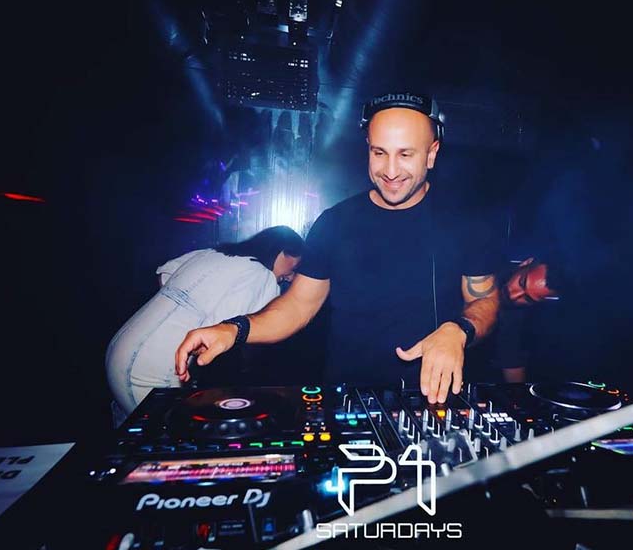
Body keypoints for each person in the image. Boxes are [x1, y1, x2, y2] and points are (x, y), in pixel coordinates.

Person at [175, 92, 502, 404]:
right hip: (348, 398)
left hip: (431, 399)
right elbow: (297, 306)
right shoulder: (336, 222)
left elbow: (485, 299)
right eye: (379, 153)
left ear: (431, 153)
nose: (390, 171)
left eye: (405, 154)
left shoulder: (465, 222)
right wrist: (234, 329)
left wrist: (458, 330)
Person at [106, 226, 304, 422]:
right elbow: (227, 337)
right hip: (154, 367)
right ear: (282, 250)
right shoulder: (262, 276)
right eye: (294, 269)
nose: (291, 278)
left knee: (129, 430)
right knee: (168, 434)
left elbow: (163, 274)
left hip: (120, 347)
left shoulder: (211, 253)